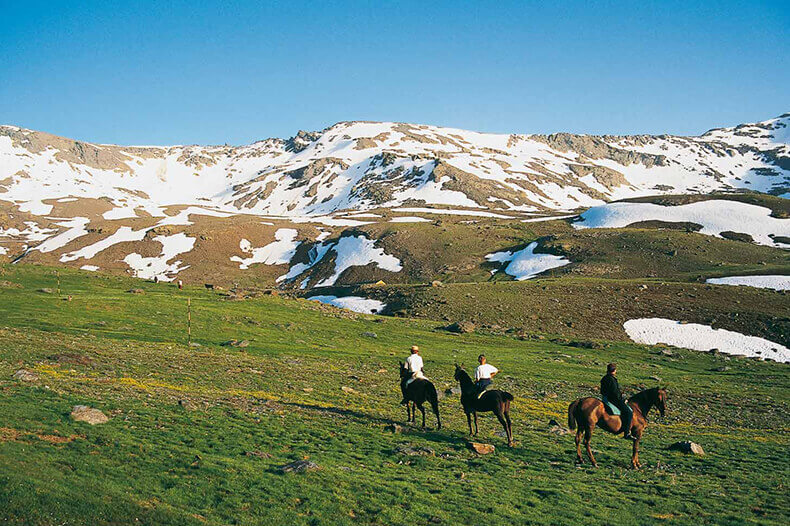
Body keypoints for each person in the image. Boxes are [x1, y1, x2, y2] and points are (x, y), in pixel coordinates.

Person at [601, 363, 634, 440]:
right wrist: (623, 399)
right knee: (629, 412)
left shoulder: (604, 378)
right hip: (613, 400)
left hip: (605, 398)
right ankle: (627, 433)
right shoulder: (612, 380)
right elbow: (615, 393)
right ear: (614, 370)